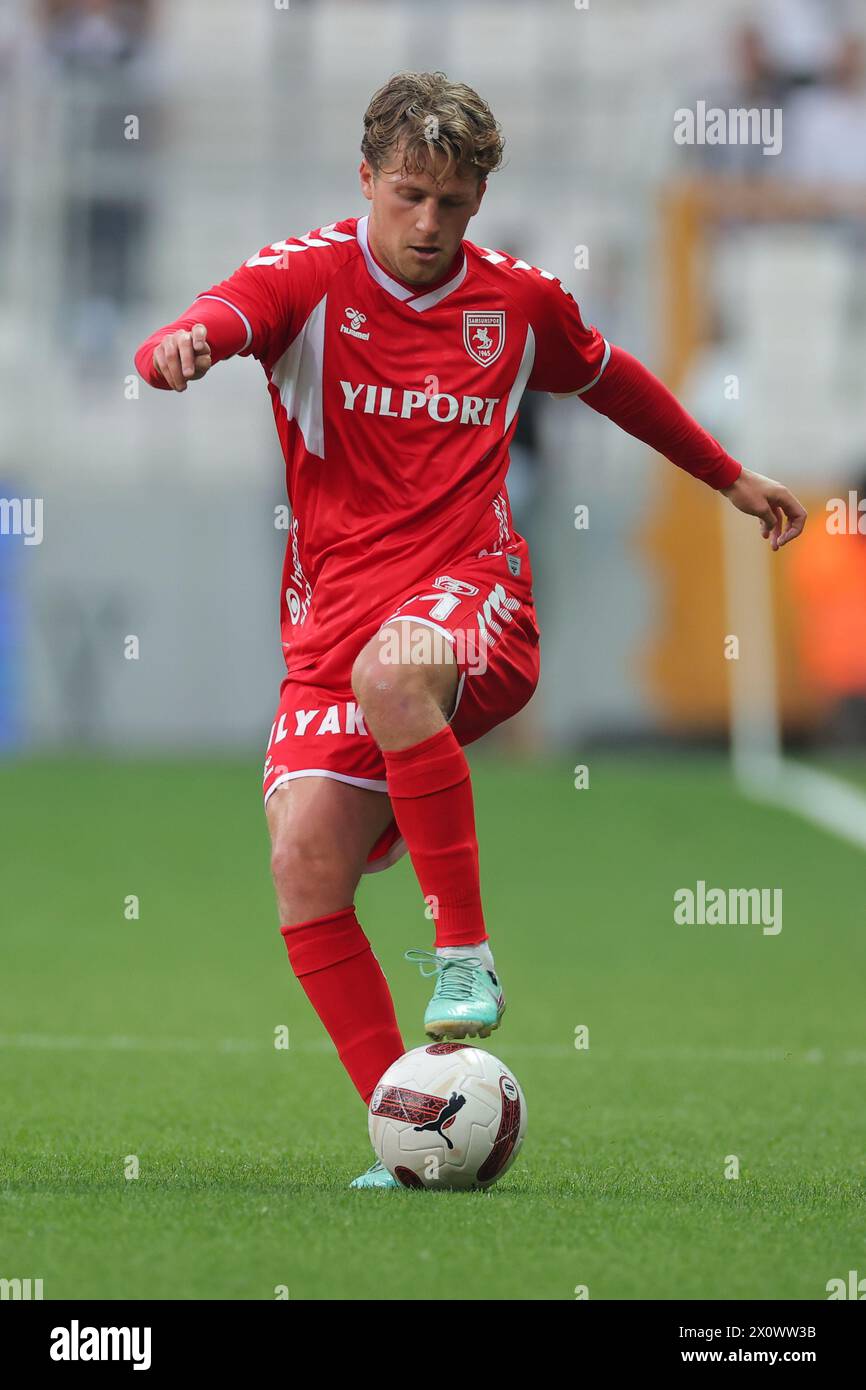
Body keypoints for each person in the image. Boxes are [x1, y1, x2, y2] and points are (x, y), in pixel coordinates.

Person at [134, 71, 806, 1188]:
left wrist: (727, 478)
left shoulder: (515, 303)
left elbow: (611, 380)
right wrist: (182, 346)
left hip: (470, 596)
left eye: (453, 202)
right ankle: (408, 1136)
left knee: (395, 676)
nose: (429, 225)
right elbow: (222, 315)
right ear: (366, 180)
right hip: (329, 630)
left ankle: (464, 954)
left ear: (480, 197)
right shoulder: (308, 278)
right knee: (304, 866)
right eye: (409, 196)